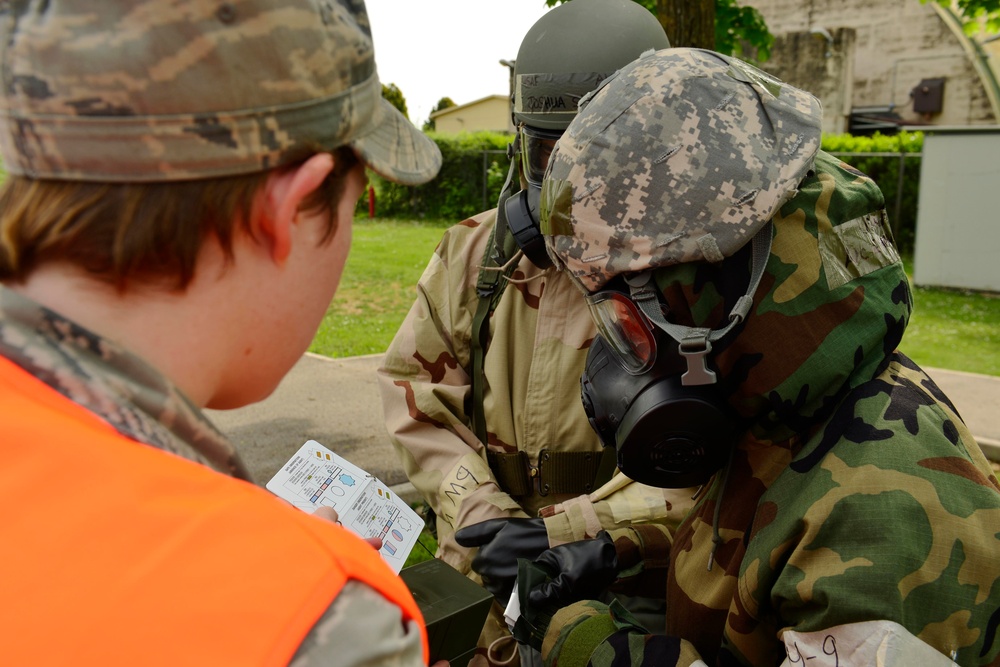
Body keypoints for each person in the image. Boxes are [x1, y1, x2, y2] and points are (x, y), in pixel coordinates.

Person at [483, 47, 1000, 666]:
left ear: (713, 299)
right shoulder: (788, 399)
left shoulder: (887, 524)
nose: (617, 353)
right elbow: (756, 542)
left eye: (623, 316)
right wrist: (623, 549)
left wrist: (587, 642)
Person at [0, 1, 444, 664]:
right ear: (292, 207)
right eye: (357, 203)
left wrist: (240, 531)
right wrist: (283, 566)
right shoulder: (318, 622)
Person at [376, 1, 691, 664]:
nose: (567, 186)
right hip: (487, 587)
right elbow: (414, 392)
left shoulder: (702, 276)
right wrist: (477, 512)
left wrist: (574, 531)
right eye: (550, 153)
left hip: (623, 594)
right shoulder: (474, 254)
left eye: (593, 158)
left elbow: (718, 461)